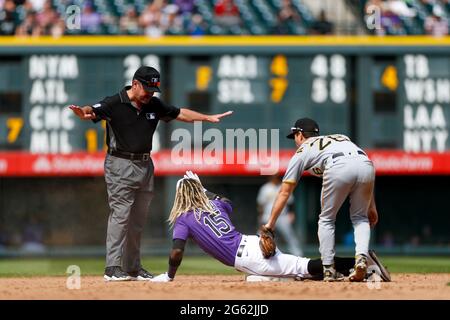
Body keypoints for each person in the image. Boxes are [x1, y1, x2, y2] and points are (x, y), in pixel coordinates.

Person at [69, 66, 233, 281]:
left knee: (137, 221)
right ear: (135, 84)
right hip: (120, 163)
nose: (150, 94)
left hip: (146, 166)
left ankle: (132, 268)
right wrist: (82, 112)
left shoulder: (153, 104)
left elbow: (180, 113)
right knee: (121, 215)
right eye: (146, 89)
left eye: (153, 90)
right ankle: (112, 268)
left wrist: (207, 118)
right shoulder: (115, 102)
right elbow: (91, 110)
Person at [150, 172, 390, 283]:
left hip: (248, 257)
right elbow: (226, 202)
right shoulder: (215, 205)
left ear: (180, 194)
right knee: (261, 280)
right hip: (251, 244)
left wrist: (169, 277)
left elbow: (176, 252)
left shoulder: (183, 218)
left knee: (301, 267)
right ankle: (350, 270)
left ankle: (364, 261)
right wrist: (205, 191)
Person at [262, 118, 379, 282]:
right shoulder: (340, 137)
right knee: (360, 218)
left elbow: (284, 192)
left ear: (300, 135)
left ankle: (329, 269)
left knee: (326, 219)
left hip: (338, 165)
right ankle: (361, 258)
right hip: (366, 164)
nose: (295, 140)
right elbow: (358, 163)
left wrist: (270, 225)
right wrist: (371, 206)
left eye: (294, 135)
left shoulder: (303, 151)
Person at [257, 174, 303, 256]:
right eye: (273, 176)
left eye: (276, 176)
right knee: (261, 235)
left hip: (282, 216)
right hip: (268, 216)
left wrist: (291, 213)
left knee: (289, 236)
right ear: (270, 177)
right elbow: (261, 204)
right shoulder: (265, 188)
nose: (274, 178)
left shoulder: (283, 187)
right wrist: (260, 215)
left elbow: (291, 202)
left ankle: (298, 254)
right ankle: (257, 252)